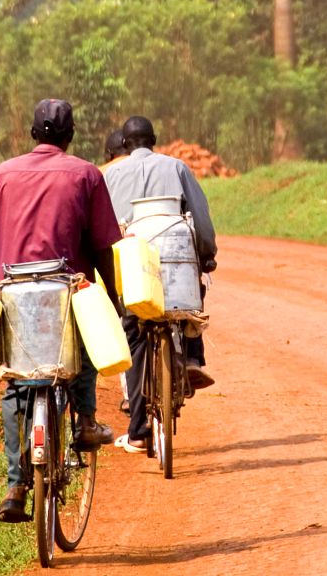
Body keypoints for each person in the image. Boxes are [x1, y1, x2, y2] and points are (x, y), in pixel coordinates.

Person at [0, 99, 123, 522]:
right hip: (65, 289)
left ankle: (16, 486)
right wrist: (112, 297)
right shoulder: (86, 174)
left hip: (12, 290)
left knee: (16, 384)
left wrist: (0, 286)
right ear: (70, 135)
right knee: (85, 347)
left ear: (33, 134)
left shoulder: (2, 174)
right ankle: (86, 421)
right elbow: (104, 246)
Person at [103, 115, 217, 451]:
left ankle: (138, 431)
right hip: (174, 257)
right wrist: (206, 253)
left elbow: (103, 226)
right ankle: (193, 357)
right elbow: (200, 217)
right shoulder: (177, 167)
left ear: (124, 145)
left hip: (134, 265)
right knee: (191, 294)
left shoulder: (112, 175)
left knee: (134, 335)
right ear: (154, 140)